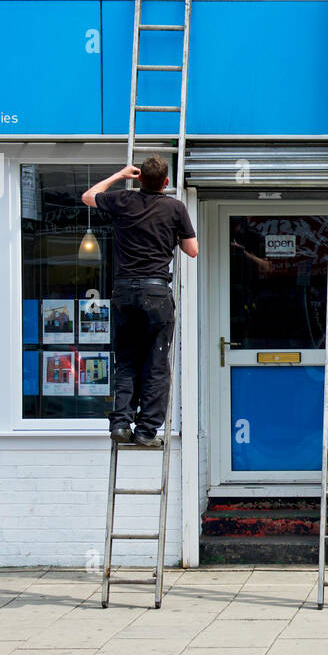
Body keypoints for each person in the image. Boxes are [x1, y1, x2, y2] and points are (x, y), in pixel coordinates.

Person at [82, 157, 197, 447]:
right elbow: (192, 250)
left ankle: (121, 423)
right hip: (156, 292)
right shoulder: (175, 208)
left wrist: (120, 175)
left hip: (124, 292)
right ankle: (146, 430)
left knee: (127, 360)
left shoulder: (122, 200)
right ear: (166, 183)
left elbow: (88, 196)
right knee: (157, 363)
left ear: (139, 179)